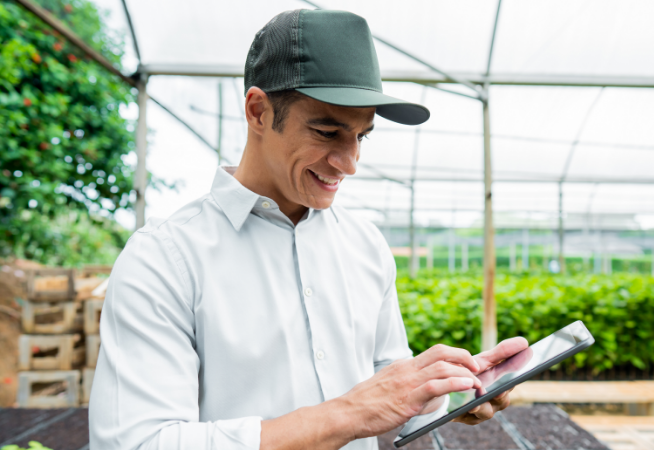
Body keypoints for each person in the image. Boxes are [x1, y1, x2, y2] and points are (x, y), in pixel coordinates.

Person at [89, 9, 528, 450]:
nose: (350, 163)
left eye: (362, 136)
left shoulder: (365, 246)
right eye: (326, 131)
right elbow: (139, 442)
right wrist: (347, 413)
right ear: (258, 111)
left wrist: (448, 391)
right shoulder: (164, 259)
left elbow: (385, 385)